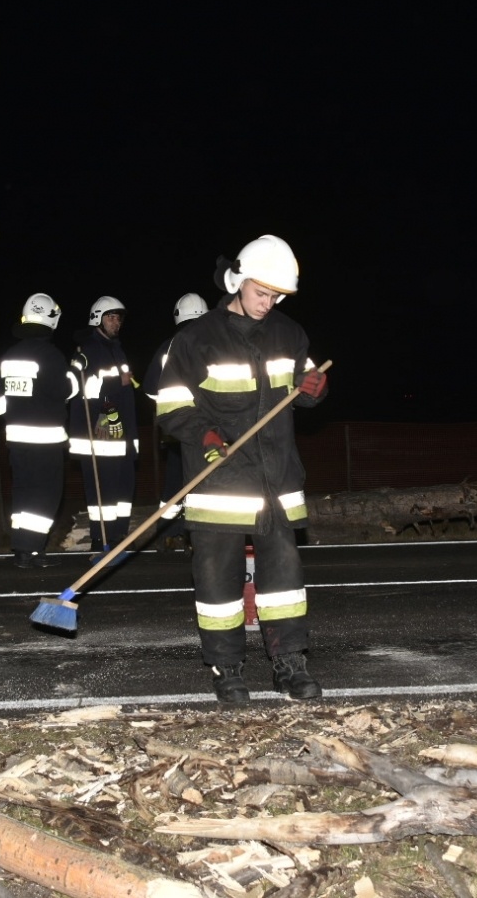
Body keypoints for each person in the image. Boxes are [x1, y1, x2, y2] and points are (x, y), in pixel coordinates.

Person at [154, 235, 328, 704]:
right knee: (217, 581)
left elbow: (305, 390)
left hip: (276, 482)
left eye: (276, 296)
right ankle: (226, 667)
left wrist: (313, 388)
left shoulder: (289, 334)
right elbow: (171, 407)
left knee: (285, 582)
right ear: (239, 280)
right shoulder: (195, 339)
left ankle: (290, 664)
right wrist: (206, 435)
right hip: (221, 484)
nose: (267, 304)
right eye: (261, 293)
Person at [0, 293, 77, 568]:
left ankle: (23, 548)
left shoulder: (10, 355)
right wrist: (74, 376)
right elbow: (63, 391)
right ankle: (32, 549)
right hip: (45, 440)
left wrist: (14, 415)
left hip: (16, 439)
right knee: (46, 494)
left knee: (24, 491)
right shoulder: (50, 355)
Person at [68, 296, 138, 559]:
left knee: (123, 485)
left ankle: (119, 535)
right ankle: (101, 537)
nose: (116, 322)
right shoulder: (87, 351)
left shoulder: (116, 349)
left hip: (120, 429)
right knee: (103, 486)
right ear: (97, 318)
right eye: (110, 317)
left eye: (118, 317)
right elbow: (80, 388)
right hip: (100, 429)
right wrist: (115, 384)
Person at [142, 292, 209, 550]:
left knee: (175, 483)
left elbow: (149, 388)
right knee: (207, 484)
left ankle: (169, 534)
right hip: (209, 429)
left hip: (176, 429)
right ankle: (202, 536)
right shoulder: (215, 343)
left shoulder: (167, 347)